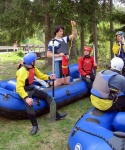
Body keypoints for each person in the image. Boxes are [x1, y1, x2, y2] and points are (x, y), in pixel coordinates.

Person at [16, 52, 67, 135]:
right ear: (31, 61)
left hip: (32, 88)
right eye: (35, 60)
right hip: (25, 91)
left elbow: (40, 75)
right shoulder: (22, 71)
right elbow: (19, 87)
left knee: (48, 96)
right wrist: (26, 98)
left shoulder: (32, 67)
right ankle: (35, 126)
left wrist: (49, 77)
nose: (36, 61)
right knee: (30, 105)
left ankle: (56, 115)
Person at [47, 21, 77, 87]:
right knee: (58, 83)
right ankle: (50, 83)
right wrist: (58, 55)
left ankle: (59, 81)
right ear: (56, 32)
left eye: (62, 31)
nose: (62, 32)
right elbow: (48, 54)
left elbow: (74, 35)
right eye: (60, 31)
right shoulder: (52, 42)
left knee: (67, 82)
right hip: (58, 62)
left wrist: (74, 26)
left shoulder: (64, 39)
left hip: (65, 62)